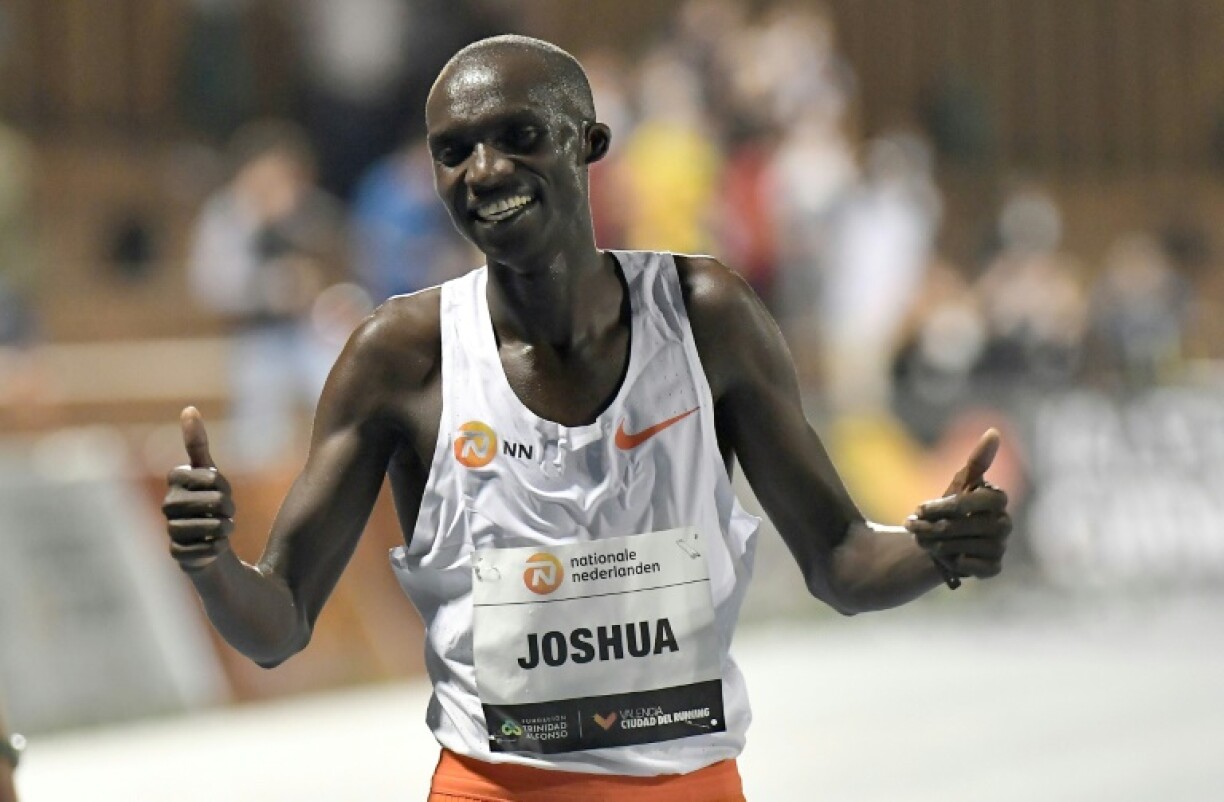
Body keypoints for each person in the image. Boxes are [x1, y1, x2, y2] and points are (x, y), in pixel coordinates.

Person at [163, 35, 1010, 801]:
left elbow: (842, 563)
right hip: (490, 787)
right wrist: (210, 566)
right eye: (453, 152)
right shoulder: (400, 356)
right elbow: (277, 626)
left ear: (590, 143)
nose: (484, 171)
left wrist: (937, 550)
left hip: (687, 784)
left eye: (518, 136)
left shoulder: (707, 317)